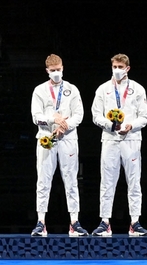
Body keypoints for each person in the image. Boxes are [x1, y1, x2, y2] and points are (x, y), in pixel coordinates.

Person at [90, 54, 147, 237]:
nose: (117, 69)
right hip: (109, 139)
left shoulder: (138, 89)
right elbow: (95, 115)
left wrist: (132, 125)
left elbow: (144, 116)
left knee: (134, 182)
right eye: (114, 66)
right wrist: (110, 125)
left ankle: (135, 222)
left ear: (127, 68)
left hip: (131, 139)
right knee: (107, 182)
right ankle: (105, 222)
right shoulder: (103, 89)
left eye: (120, 66)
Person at [31, 54, 87, 237]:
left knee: (71, 181)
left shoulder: (72, 89)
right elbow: (35, 116)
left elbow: (79, 114)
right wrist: (52, 119)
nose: (56, 73)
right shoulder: (39, 90)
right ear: (47, 71)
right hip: (46, 138)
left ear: (63, 68)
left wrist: (65, 126)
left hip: (68, 138)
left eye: (59, 69)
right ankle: (41, 222)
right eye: (53, 70)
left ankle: (74, 222)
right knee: (43, 180)